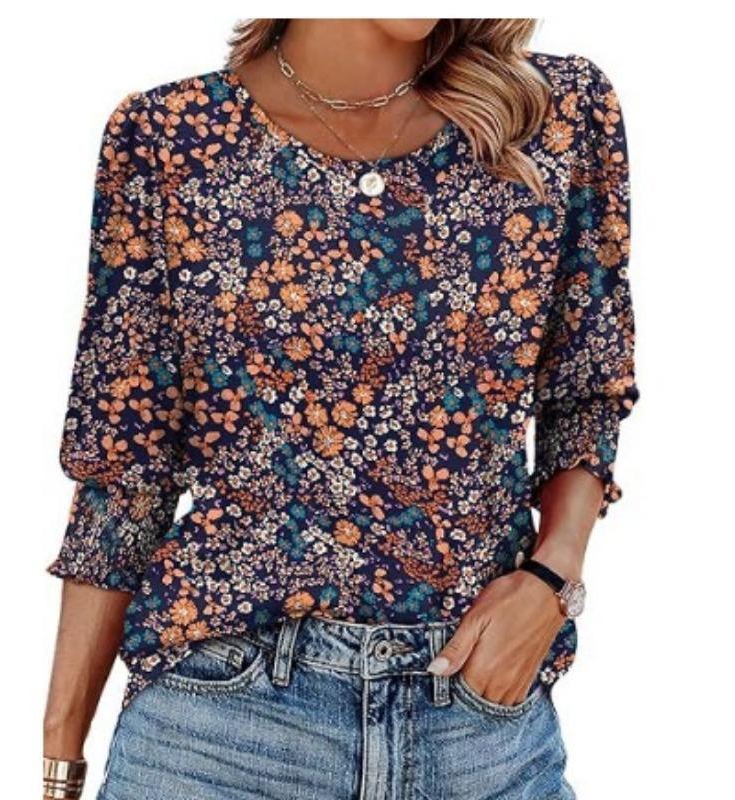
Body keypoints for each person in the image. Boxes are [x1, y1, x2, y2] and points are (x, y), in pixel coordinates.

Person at [43, 18, 638, 800]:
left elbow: (586, 389)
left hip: (477, 721)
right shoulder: (167, 138)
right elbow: (125, 473)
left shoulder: (552, 111)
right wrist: (60, 759)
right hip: (220, 728)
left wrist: (551, 580)